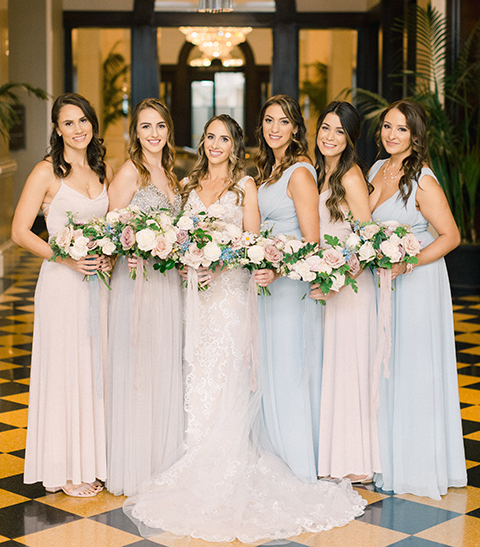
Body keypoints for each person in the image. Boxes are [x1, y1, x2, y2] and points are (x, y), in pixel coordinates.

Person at [124, 114, 366, 542]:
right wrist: (187, 267)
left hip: (231, 298)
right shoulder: (186, 187)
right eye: (209, 137)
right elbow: (181, 242)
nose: (216, 144)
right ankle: (196, 450)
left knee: (229, 375)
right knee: (197, 372)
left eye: (224, 138)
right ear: (202, 142)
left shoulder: (246, 186)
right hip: (195, 301)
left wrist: (219, 263)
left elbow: (251, 243)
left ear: (236, 145)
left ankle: (227, 460)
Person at [11, 93, 112, 497]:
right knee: (65, 368)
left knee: (92, 369)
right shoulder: (45, 172)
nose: (78, 129)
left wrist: (107, 255)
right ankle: (65, 468)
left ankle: (91, 460)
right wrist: (64, 258)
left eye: (83, 120)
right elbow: (19, 232)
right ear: (57, 129)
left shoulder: (102, 170)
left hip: (96, 286)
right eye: (69, 123)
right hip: (61, 283)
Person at [369, 98, 467, 499]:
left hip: (417, 284)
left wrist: (406, 263)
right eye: (388, 127)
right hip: (382, 284)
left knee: (412, 366)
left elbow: (451, 236)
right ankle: (385, 459)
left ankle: (417, 464)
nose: (392, 135)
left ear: (415, 136)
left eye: (401, 129)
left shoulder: (422, 178)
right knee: (386, 366)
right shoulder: (376, 169)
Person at [105, 98, 184, 497]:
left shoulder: (170, 174)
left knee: (164, 365)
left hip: (167, 285)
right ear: (135, 133)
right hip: (137, 283)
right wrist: (137, 244)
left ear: (169, 131)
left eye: (160, 126)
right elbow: (110, 232)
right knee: (139, 367)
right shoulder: (130, 173)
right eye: (145, 127)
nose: (153, 134)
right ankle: (135, 465)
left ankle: (162, 460)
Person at [311, 101, 380, 483]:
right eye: (325, 128)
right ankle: (330, 456)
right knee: (330, 368)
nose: (329, 137)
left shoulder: (351, 176)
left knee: (348, 367)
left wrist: (338, 277)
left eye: (339, 131)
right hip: (324, 282)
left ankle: (353, 462)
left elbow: (366, 239)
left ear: (350, 138)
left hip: (349, 286)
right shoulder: (320, 173)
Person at [254, 94, 322, 483]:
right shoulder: (270, 169)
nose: (274, 128)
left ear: (296, 127)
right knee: (271, 368)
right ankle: (276, 452)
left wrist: (277, 271)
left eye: (283, 121)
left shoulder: (299, 172)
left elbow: (311, 242)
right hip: (267, 283)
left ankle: (297, 463)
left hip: (288, 287)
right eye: (268, 120)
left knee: (289, 368)